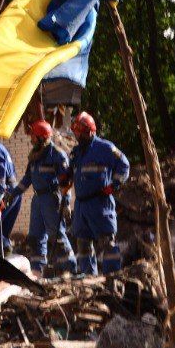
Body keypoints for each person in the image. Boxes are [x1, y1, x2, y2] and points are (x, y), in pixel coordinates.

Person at [61, 112, 129, 276]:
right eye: (76, 133)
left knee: (107, 242)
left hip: (99, 203)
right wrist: (66, 176)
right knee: (83, 244)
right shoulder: (77, 152)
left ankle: (113, 277)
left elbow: (124, 165)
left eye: (79, 133)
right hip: (81, 206)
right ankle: (88, 278)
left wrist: (114, 185)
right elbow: (72, 170)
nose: (77, 136)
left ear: (89, 132)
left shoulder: (105, 148)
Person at [10, 119, 76, 277]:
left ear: (41, 137)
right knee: (35, 238)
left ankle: (70, 269)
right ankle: (38, 271)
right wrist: (12, 194)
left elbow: (66, 182)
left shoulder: (56, 155)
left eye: (33, 136)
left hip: (51, 199)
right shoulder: (34, 156)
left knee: (57, 236)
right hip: (37, 200)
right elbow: (27, 179)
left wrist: (66, 203)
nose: (31, 139)